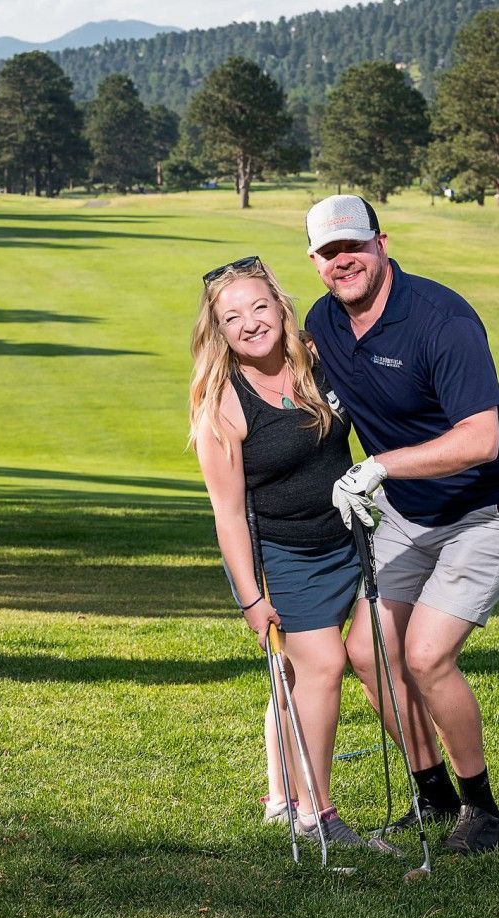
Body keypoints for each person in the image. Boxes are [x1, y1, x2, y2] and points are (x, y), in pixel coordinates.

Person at [302, 195, 499, 855]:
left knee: (427, 656)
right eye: (327, 252)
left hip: (484, 508)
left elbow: (482, 438)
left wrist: (379, 465)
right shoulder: (325, 321)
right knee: (368, 653)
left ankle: (481, 812)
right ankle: (431, 794)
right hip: (407, 509)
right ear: (315, 261)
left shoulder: (439, 320)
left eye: (353, 246)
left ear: (381, 242)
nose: (342, 261)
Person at [189, 255, 367, 847]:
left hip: (348, 539)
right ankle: (319, 812)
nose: (249, 323)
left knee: (294, 675)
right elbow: (228, 513)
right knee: (323, 667)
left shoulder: (315, 360)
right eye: (231, 316)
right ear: (218, 332)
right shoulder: (222, 404)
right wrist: (249, 597)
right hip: (287, 555)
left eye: (259, 307)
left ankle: (279, 796)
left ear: (280, 308)